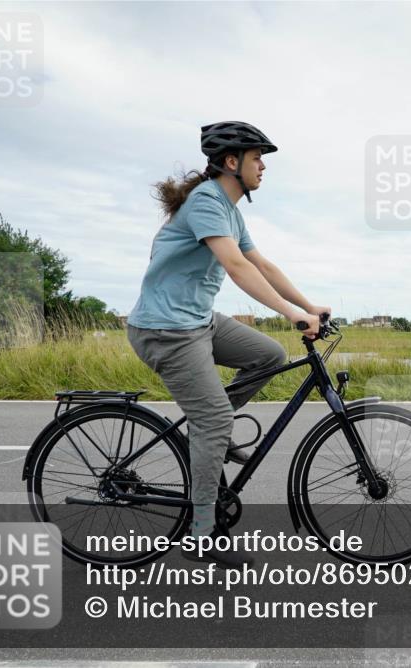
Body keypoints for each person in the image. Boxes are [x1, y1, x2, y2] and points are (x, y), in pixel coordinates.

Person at [126, 121, 330, 566]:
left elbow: (263, 264)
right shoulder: (205, 202)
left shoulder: (231, 210)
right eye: (257, 158)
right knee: (216, 417)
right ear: (232, 162)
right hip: (165, 329)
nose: (263, 167)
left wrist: (308, 304)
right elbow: (236, 266)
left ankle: (209, 432)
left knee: (269, 355)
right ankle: (202, 534)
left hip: (196, 321)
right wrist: (290, 314)